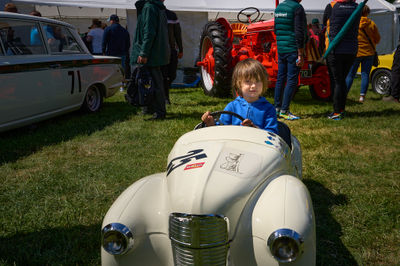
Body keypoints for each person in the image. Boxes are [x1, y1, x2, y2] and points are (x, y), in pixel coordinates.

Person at [202, 58, 278, 134]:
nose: (254, 86)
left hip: (258, 144)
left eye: (258, 81)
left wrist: (255, 129)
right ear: (239, 84)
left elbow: (273, 134)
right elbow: (222, 129)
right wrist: (211, 124)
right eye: (248, 81)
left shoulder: (268, 109)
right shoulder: (232, 107)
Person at [130, 0, 170, 120]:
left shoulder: (150, 7)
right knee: (150, 82)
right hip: (155, 53)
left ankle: (159, 112)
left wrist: (143, 52)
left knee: (154, 84)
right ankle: (150, 108)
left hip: (151, 54)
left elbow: (149, 32)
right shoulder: (157, 8)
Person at [324, 0, 360, 120]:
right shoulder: (357, 7)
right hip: (351, 50)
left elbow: (325, 22)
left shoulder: (332, 6)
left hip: (335, 49)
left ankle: (336, 112)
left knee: (337, 81)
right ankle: (341, 109)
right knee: (342, 80)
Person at [273, 0, 307, 121]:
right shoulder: (297, 8)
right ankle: (285, 110)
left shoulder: (278, 8)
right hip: (293, 48)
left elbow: (275, 30)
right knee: (292, 80)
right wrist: (300, 52)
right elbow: (299, 31)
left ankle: (276, 108)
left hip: (281, 49)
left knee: (280, 78)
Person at [345, 5, 380, 103]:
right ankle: (362, 97)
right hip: (369, 52)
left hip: (356, 52)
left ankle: (344, 94)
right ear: (367, 12)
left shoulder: (353, 23)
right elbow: (377, 39)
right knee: (365, 74)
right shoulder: (371, 24)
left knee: (350, 74)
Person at [161, 7, 183, 104]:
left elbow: (177, 33)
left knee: (172, 74)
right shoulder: (153, 13)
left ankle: (164, 92)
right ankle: (165, 97)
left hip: (171, 50)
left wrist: (181, 49)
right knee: (163, 75)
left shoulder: (171, 15)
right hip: (159, 51)